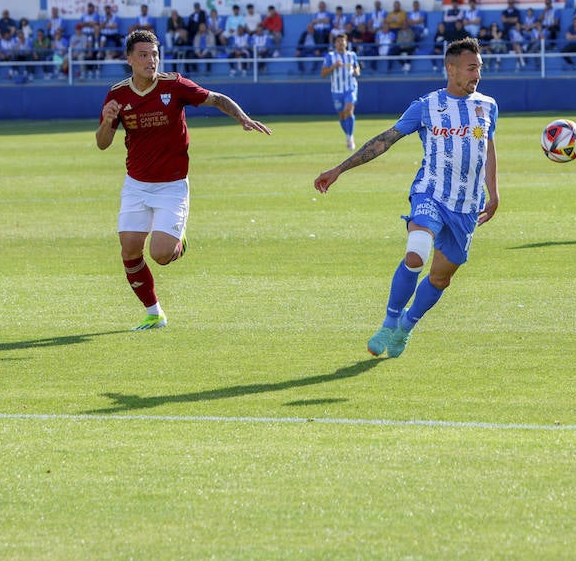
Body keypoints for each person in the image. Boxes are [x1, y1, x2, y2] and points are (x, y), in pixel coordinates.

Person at [314, 37, 498, 360]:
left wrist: (493, 192)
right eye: (471, 68)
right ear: (451, 69)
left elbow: (488, 149)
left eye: (479, 68)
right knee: (416, 253)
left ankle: (406, 325)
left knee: (440, 278)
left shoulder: (487, 106)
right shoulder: (426, 106)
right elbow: (385, 140)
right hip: (430, 193)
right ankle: (388, 323)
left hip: (467, 205)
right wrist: (340, 169)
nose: (477, 75)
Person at [96, 29, 270, 330]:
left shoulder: (173, 85)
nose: (151, 61)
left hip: (172, 185)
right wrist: (108, 121)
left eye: (154, 54)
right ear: (129, 59)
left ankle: (178, 242)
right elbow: (102, 143)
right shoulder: (117, 94)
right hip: (136, 184)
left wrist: (242, 117)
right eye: (143, 55)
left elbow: (216, 98)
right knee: (129, 250)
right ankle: (154, 313)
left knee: (161, 254)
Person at [322, 31, 362, 150]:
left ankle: (351, 137)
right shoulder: (330, 56)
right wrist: (333, 67)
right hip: (337, 90)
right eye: (338, 41)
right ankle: (348, 135)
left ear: (346, 43)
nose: (341, 43)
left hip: (350, 88)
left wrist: (356, 71)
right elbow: (323, 73)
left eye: (342, 41)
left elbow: (357, 68)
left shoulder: (352, 55)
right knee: (342, 115)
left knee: (348, 110)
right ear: (335, 44)